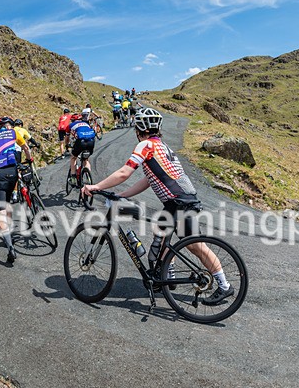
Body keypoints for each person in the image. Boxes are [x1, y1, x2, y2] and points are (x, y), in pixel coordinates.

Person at [82, 107, 234, 305]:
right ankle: (165, 277)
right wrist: (120, 194)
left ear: (139, 129)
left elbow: (124, 173)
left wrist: (96, 186)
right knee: (162, 238)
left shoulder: (145, 145)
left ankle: (224, 286)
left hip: (179, 202)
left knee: (196, 246)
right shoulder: (161, 146)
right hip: (177, 202)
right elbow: (148, 180)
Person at [0, 116, 31, 264]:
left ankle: (9, 245)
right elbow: (25, 148)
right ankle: (9, 230)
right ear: (10, 125)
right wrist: (29, 159)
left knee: (1, 210)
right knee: (9, 202)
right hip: (12, 171)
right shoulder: (14, 133)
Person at [68, 113, 96, 184]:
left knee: (73, 158)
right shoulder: (86, 123)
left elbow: (67, 137)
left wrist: (67, 145)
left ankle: (73, 177)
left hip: (81, 142)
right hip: (91, 141)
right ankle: (88, 176)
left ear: (72, 120)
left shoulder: (71, 125)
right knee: (85, 159)